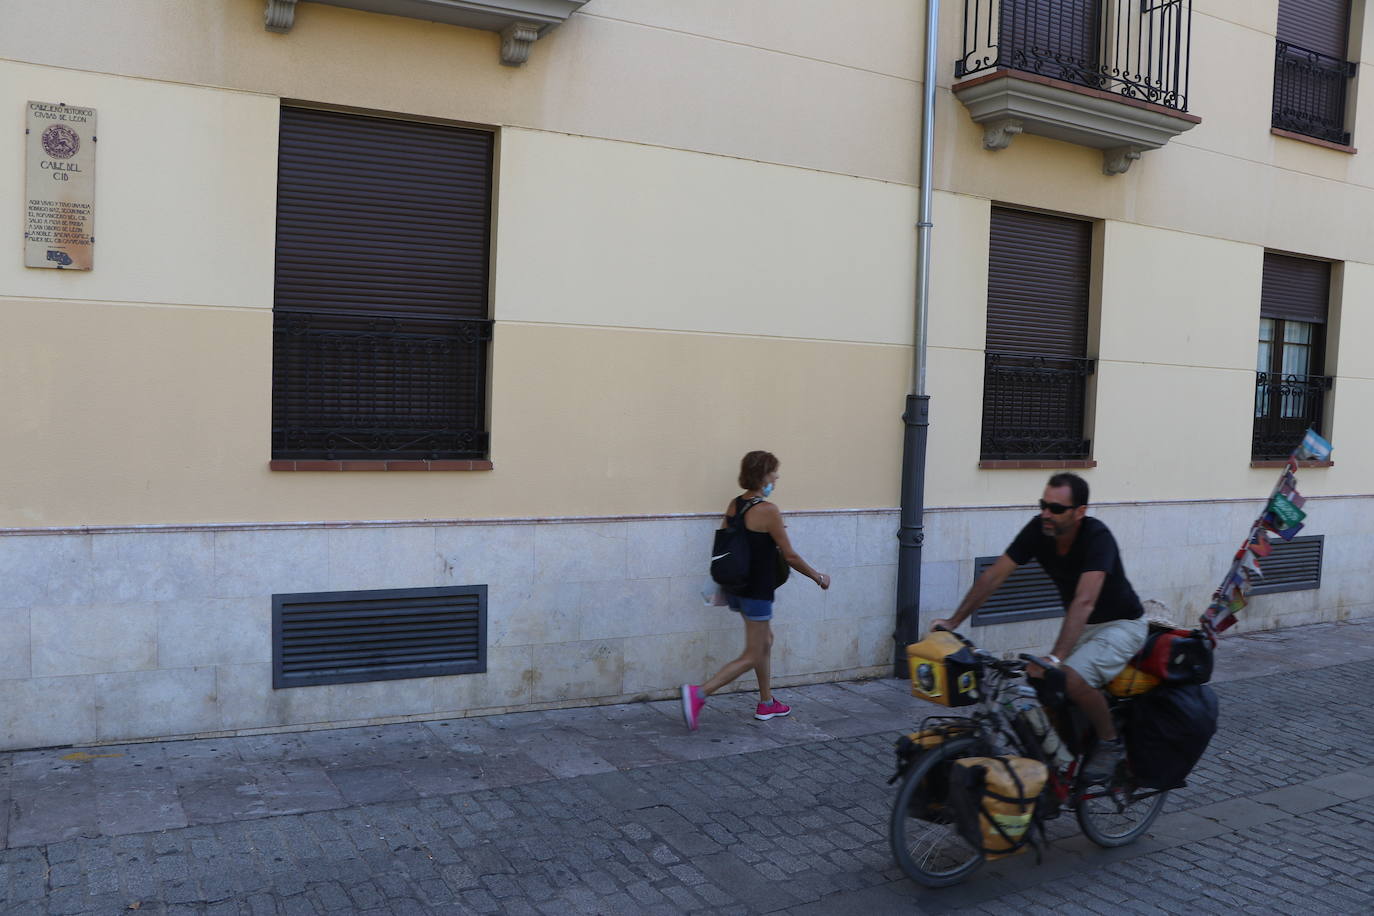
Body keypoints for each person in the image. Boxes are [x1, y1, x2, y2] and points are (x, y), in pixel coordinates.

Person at [930, 472, 1146, 782]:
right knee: (1041, 684)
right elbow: (994, 577)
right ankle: (1062, 758)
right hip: (1082, 626)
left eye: (1057, 509)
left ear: (1080, 512)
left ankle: (1110, 743)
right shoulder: (1039, 529)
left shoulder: (1097, 537)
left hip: (1120, 625)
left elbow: (1084, 601)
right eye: (1043, 504)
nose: (1046, 513)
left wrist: (1056, 657)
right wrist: (953, 622)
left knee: (1068, 677)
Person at [680, 450, 830, 730]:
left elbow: (731, 541)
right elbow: (791, 556)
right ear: (763, 476)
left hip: (737, 588)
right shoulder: (768, 511)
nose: (777, 477)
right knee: (753, 653)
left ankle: (767, 701)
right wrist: (818, 577)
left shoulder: (736, 504)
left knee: (765, 641)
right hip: (757, 592)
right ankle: (698, 694)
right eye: (774, 472)